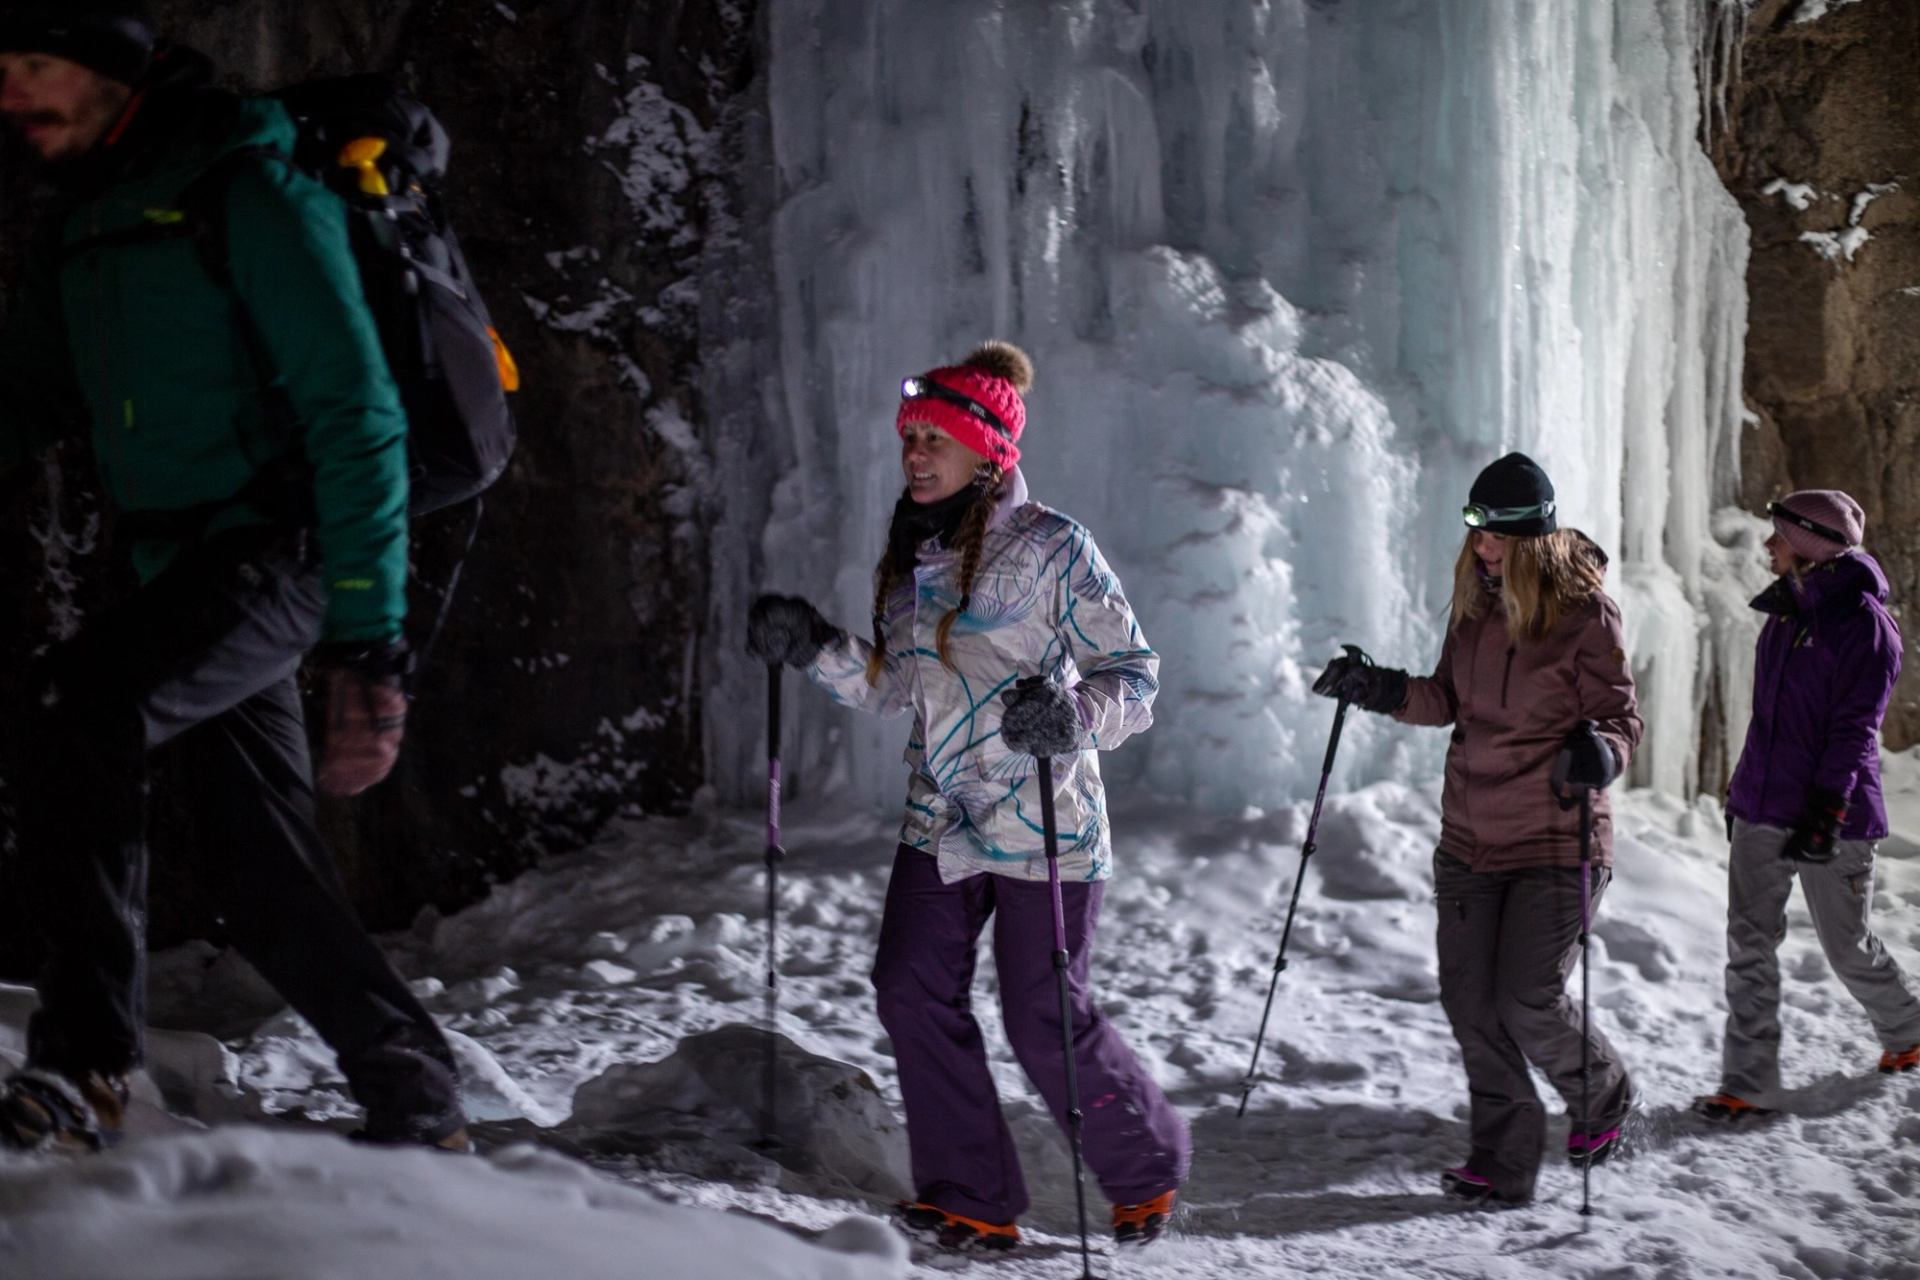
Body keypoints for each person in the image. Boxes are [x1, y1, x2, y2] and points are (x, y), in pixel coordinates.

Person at [0, 2, 466, 1151]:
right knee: (253, 859)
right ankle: (418, 1094)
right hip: (186, 560)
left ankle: (87, 1068)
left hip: (285, 542)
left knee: (84, 707)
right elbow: (27, 399)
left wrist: (372, 645)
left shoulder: (248, 190)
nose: (12, 96)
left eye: (36, 63)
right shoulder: (85, 221)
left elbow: (355, 415)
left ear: (112, 71)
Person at [747, 342, 1189, 1251]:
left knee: (1043, 1011)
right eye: (908, 435)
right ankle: (971, 1194)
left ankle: (1144, 1166)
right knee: (908, 988)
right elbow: (898, 689)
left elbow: (1135, 676)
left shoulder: (1055, 545)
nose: (914, 452)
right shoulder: (916, 555)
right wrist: (816, 646)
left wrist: (1070, 716)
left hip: (1044, 821)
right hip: (941, 821)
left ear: (988, 451)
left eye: (934, 437)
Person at [1313, 451, 1642, 1207]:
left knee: (1526, 996)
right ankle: (1503, 1160)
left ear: (1534, 538)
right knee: (1471, 1005)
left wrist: (1604, 751)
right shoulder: (1475, 607)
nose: (1482, 547)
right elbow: (1446, 700)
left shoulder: (1586, 614)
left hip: (1556, 841)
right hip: (1468, 840)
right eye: (1476, 531)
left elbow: (1622, 716)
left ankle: (1603, 1094)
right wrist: (1380, 688)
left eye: (1497, 535)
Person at [1694, 490, 1920, 1122]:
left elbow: (1854, 728)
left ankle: (1909, 1030)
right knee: (1749, 943)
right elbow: (1767, 724)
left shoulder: (1867, 624)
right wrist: (1743, 794)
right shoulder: (1787, 616)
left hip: (1835, 816)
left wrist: (1825, 813)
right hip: (1764, 806)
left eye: (1779, 536)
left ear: (1811, 544)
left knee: (1847, 946)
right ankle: (1749, 1083)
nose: (1768, 545)